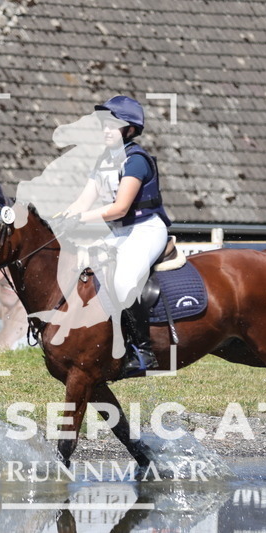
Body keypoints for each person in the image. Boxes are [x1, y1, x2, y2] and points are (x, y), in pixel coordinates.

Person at [62, 95, 171, 373]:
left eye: (113, 125)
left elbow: (120, 208)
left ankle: (145, 352)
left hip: (146, 228)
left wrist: (79, 218)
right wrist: (62, 217)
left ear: (129, 130)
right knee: (86, 272)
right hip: (119, 232)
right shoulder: (104, 161)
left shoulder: (136, 160)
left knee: (122, 282)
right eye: (104, 125)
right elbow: (83, 201)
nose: (106, 130)